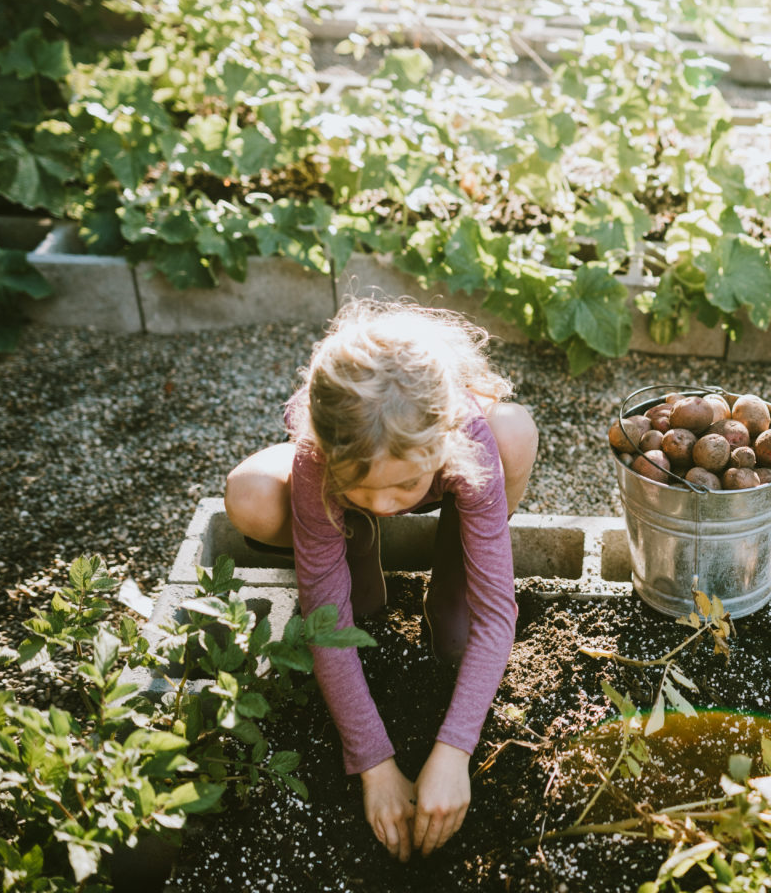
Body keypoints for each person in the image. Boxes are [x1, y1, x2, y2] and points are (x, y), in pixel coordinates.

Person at [223, 298, 538, 861]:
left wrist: (453, 750)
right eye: (365, 492)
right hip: (330, 487)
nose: (386, 504)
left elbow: (498, 616)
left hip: (452, 475)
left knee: (516, 429)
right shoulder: (318, 456)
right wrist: (372, 762)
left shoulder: (465, 436)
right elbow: (327, 626)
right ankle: (353, 540)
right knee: (257, 503)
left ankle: (451, 571)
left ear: (444, 446)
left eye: (399, 489)